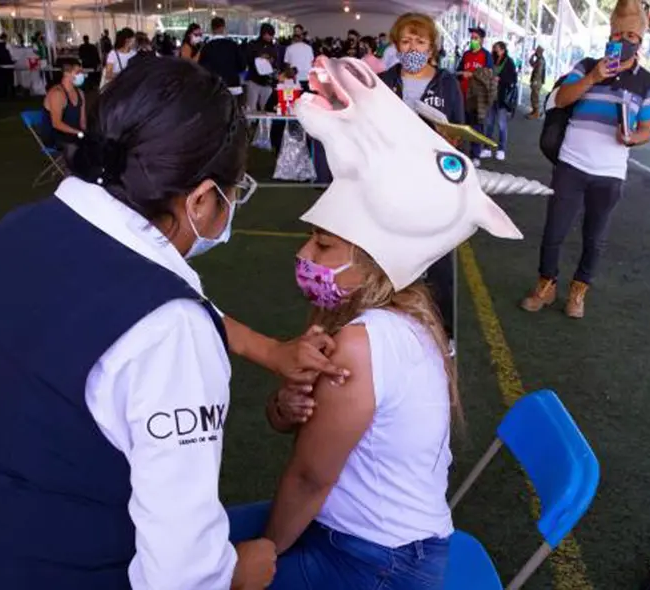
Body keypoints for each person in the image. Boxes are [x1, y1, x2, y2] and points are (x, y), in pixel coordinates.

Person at [0, 57, 345, 590]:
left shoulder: (20, 230)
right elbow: (181, 575)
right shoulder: (169, 327)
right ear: (203, 200)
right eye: (236, 191)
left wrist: (272, 351)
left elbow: (115, 310)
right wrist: (236, 572)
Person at [224, 55, 525, 589]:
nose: (305, 252)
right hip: (371, 540)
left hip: (378, 563)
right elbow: (292, 423)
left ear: (370, 262)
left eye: (322, 243)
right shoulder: (398, 318)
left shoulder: (363, 343)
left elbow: (311, 475)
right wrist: (284, 406)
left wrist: (262, 554)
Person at [521, 0, 650, 318]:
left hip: (610, 172)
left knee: (594, 238)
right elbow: (560, 99)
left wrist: (632, 137)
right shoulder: (586, 65)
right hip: (571, 164)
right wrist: (593, 77)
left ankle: (579, 291)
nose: (623, 41)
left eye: (631, 36)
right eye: (618, 34)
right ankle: (546, 284)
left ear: (640, 41)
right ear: (609, 35)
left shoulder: (647, 82)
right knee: (554, 230)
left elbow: (647, 129)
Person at [379, 12, 465, 342]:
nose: (412, 47)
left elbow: (458, 130)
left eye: (420, 41)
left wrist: (449, 137)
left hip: (434, 182)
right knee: (392, 253)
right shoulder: (385, 81)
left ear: (432, 48)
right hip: (393, 181)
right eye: (406, 41)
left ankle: (444, 332)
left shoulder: (447, 83)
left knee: (438, 258)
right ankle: (391, 323)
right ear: (396, 45)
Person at [456, 27, 493, 163]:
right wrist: (462, 74)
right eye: (472, 38)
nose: (473, 40)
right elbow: (458, 70)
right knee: (461, 123)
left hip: (477, 96)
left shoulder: (486, 55)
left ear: (482, 40)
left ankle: (475, 154)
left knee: (476, 125)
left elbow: (489, 73)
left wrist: (473, 74)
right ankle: (460, 152)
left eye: (475, 38)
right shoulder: (466, 54)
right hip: (463, 94)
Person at [42, 58, 86, 165]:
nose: (82, 75)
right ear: (66, 73)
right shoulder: (57, 94)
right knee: (74, 149)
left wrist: (86, 133)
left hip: (75, 135)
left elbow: (83, 120)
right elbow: (56, 124)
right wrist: (78, 133)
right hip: (57, 137)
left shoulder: (80, 93)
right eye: (78, 72)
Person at [485, 41, 518, 161]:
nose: (495, 50)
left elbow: (513, 78)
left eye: (497, 49)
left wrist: (501, 78)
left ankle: (501, 149)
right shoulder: (491, 60)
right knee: (489, 123)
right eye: (494, 48)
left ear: (503, 50)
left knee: (501, 124)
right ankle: (486, 148)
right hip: (491, 96)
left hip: (502, 98)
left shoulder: (509, 62)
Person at [198, 17, 247, 97]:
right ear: (223, 28)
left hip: (213, 87)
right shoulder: (233, 45)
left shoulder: (207, 47)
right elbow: (242, 65)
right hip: (233, 86)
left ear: (212, 29)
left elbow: (202, 68)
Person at [245, 23, 278, 112]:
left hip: (267, 82)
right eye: (269, 35)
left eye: (272, 35)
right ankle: (251, 124)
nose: (270, 37)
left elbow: (276, 63)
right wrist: (259, 57)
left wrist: (272, 61)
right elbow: (248, 59)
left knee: (266, 107)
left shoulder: (273, 47)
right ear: (263, 34)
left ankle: (264, 125)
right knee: (251, 107)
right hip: (253, 80)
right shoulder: (252, 44)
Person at [527, 45, 546, 118]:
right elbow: (532, 64)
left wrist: (535, 81)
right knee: (533, 96)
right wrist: (532, 57)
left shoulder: (540, 60)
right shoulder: (539, 59)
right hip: (537, 80)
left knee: (535, 97)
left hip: (537, 81)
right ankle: (534, 111)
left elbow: (538, 72)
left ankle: (536, 112)